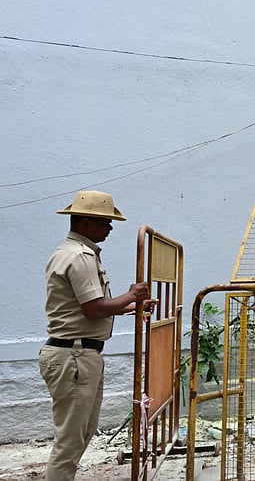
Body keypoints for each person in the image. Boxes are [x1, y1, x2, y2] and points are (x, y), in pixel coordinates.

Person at [39, 190, 155, 480]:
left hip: (79, 355)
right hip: (73, 356)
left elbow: (86, 309)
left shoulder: (75, 253)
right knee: (69, 441)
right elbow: (93, 309)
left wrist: (129, 307)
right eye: (105, 222)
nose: (110, 228)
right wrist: (131, 295)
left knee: (82, 434)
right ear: (87, 223)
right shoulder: (79, 256)